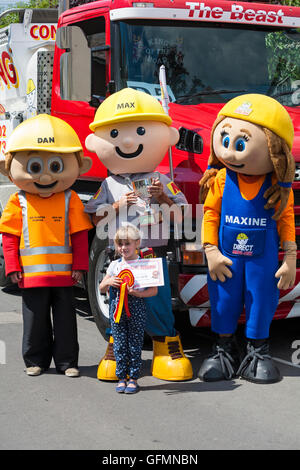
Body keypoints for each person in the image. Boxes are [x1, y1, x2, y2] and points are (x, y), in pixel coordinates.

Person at [84, 87, 193, 381]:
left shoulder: (161, 180)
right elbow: (94, 217)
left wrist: (163, 198)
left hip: (151, 253)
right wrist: (119, 204)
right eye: (117, 134)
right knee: (119, 306)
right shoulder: (108, 183)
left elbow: (182, 215)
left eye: (141, 131)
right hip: (118, 257)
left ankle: (165, 346)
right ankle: (115, 348)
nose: (129, 140)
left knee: (156, 302)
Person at [198, 94, 296, 384]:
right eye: (225, 140)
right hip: (226, 259)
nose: (229, 152)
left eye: (240, 144)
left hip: (262, 261)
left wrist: (290, 258)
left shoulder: (278, 189)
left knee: (262, 300)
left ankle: (258, 352)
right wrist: (210, 251)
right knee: (224, 301)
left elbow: (286, 222)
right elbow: (210, 215)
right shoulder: (219, 180)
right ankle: (223, 350)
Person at [0, 114, 93, 377]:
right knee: (34, 322)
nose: (44, 176)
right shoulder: (17, 201)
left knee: (65, 322)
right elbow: (9, 238)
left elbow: (79, 235)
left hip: (64, 276)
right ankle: (35, 361)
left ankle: (66, 362)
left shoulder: (70, 198)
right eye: (35, 167)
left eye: (55, 165)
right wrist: (12, 267)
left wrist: (80, 267)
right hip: (31, 277)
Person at [100, 224, 157, 393]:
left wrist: (138, 294)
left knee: (135, 342)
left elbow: (153, 291)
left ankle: (133, 377)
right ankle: (121, 377)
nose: (123, 248)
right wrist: (109, 282)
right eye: (120, 244)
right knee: (119, 343)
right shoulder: (114, 265)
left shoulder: (144, 265)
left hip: (136, 307)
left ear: (137, 243)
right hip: (117, 309)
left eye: (127, 244)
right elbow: (102, 287)